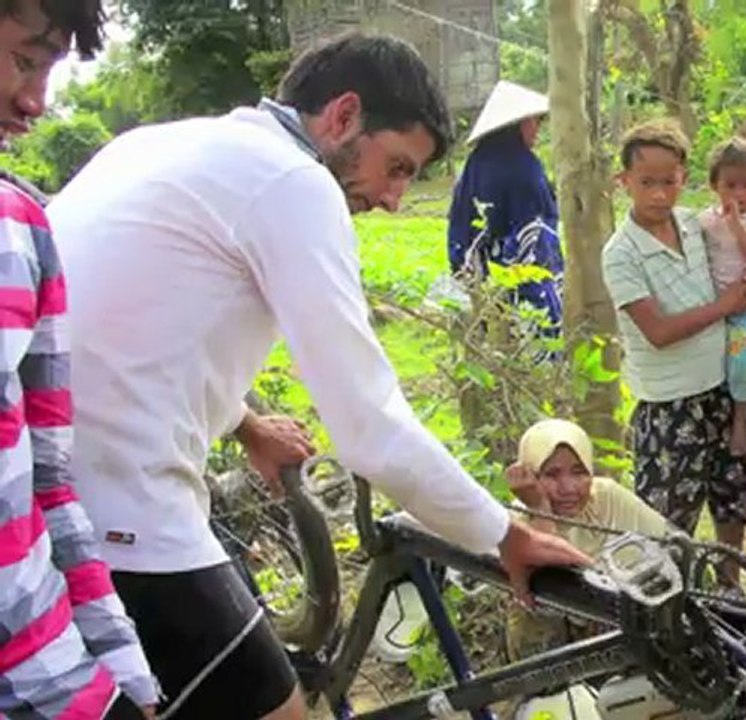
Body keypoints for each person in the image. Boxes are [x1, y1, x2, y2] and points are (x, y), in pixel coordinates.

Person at [46, 33, 589, 720]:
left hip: (41, 503)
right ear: (342, 116)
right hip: (124, 514)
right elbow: (368, 424)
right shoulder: (293, 182)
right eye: (395, 167)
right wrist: (504, 536)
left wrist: (244, 424)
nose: (394, 199)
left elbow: (128, 327)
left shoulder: (160, 145)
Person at [0, 3, 159, 719]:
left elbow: (50, 482)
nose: (35, 102)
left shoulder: (23, 233)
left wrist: (126, 672)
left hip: (53, 680)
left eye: (47, 70)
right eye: (24, 60)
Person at [601, 120, 746, 579]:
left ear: (684, 178)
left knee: (733, 499)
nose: (659, 194)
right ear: (624, 182)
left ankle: (729, 590)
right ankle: (674, 612)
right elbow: (657, 330)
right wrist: (726, 304)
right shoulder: (621, 253)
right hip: (670, 406)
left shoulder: (697, 226)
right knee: (669, 526)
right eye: (646, 183)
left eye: (669, 182)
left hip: (725, 390)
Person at [502, 418, 669, 661]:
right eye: (551, 474)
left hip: (614, 617)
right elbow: (554, 579)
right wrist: (540, 508)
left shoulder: (607, 499)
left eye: (579, 472)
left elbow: (670, 541)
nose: (568, 488)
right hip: (555, 635)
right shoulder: (517, 519)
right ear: (529, 475)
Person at [446, 80, 563, 336]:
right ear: (517, 124)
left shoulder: (475, 164)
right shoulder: (525, 168)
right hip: (520, 278)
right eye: (534, 122)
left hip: (480, 276)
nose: (537, 130)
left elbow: (461, 229)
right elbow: (535, 236)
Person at [697, 137, 746, 457]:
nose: (739, 194)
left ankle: (741, 421)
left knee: (742, 366)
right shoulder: (702, 222)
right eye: (730, 186)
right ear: (714, 185)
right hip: (710, 307)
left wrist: (736, 225)